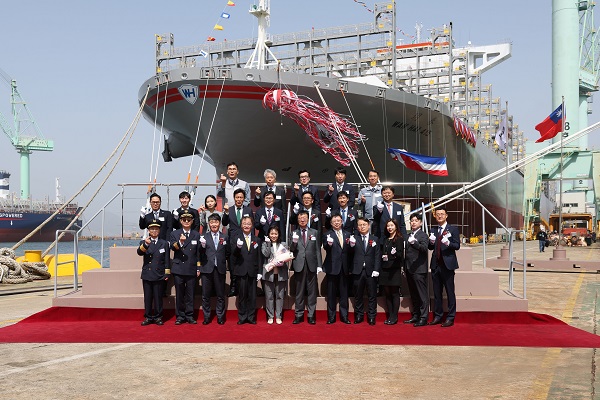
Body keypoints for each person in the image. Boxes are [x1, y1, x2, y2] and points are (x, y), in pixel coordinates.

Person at [427, 205, 460, 327]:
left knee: (450, 292)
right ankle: (438, 316)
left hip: (448, 265)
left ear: (446, 216)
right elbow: (430, 247)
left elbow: (457, 246)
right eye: (438, 214)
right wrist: (431, 242)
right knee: (437, 293)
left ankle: (450, 317)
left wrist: (449, 243)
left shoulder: (453, 229)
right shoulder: (433, 229)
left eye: (442, 214)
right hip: (436, 265)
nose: (440, 216)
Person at [289, 210, 322, 324]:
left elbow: (317, 250)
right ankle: (299, 315)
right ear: (297, 220)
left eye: (304, 218)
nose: (302, 220)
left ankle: (311, 315)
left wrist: (319, 265)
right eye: (300, 218)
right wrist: (293, 242)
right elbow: (291, 250)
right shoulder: (294, 233)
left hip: (312, 265)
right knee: (299, 291)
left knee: (312, 292)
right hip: (299, 264)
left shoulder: (315, 232)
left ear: (308, 219)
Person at [169, 211, 201, 325]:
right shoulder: (175, 234)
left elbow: (198, 253)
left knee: (190, 294)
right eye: (184, 220)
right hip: (179, 268)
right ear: (180, 221)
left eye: (189, 220)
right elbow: (173, 247)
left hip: (191, 268)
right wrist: (180, 242)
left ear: (192, 221)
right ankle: (180, 316)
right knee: (180, 294)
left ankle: (190, 315)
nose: (186, 222)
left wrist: (198, 268)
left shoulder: (196, 234)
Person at [137, 219, 170, 326]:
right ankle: (148, 317)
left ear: (159, 230)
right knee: (148, 298)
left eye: (156, 229)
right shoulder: (144, 242)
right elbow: (139, 252)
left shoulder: (164, 243)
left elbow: (166, 259)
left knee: (158, 297)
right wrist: (146, 245)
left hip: (159, 274)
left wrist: (167, 273)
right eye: (152, 229)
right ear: (148, 230)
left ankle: (158, 317)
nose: (154, 231)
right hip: (147, 274)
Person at [198, 214, 230, 325]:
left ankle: (220, 316)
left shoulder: (225, 237)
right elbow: (199, 254)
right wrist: (201, 247)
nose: (214, 224)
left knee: (220, 295)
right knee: (206, 295)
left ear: (219, 223)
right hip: (206, 269)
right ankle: (206, 317)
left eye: (216, 222)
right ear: (208, 223)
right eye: (211, 222)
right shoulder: (203, 237)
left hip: (220, 269)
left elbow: (227, 253)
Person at [230, 215, 262, 324]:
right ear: (241, 225)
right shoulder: (236, 238)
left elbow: (259, 257)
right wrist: (238, 248)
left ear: (252, 225)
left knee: (252, 296)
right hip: (241, 270)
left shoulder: (257, 239)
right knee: (242, 295)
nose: (247, 226)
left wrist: (260, 272)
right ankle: (242, 316)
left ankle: (251, 317)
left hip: (253, 271)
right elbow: (233, 255)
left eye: (249, 224)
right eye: (244, 224)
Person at [349, 217, 381, 325]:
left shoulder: (375, 239)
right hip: (358, 271)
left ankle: (372, 316)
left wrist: (376, 269)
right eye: (360, 225)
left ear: (368, 225)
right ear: (357, 227)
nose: (362, 227)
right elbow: (349, 253)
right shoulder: (354, 238)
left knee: (372, 295)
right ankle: (359, 315)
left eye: (364, 224)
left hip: (371, 271)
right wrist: (351, 246)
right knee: (358, 295)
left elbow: (377, 256)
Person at [322, 213, 351, 324]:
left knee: (344, 294)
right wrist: (328, 244)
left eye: (339, 221)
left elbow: (350, 251)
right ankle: (331, 317)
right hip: (332, 267)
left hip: (344, 267)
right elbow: (325, 247)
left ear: (342, 221)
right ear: (331, 223)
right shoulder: (327, 234)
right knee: (331, 294)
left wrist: (352, 246)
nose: (337, 223)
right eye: (334, 221)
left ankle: (344, 316)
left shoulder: (348, 234)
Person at [225, 188, 254, 297]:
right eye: (237, 197)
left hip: (246, 240)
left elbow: (252, 225)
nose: (239, 199)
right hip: (232, 241)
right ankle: (233, 287)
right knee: (233, 265)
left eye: (241, 197)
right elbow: (224, 222)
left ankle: (244, 287)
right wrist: (226, 213)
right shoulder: (230, 210)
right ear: (234, 198)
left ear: (244, 198)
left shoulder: (248, 210)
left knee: (244, 263)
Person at [404, 214, 429, 327]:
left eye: (416, 221)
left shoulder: (423, 235)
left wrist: (415, 243)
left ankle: (424, 317)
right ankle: (416, 315)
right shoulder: (409, 235)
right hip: (409, 268)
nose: (413, 222)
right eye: (412, 221)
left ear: (420, 223)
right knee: (413, 294)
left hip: (419, 269)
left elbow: (424, 249)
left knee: (422, 294)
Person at [261, 225, 289, 324]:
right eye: (272, 233)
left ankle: (278, 316)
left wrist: (282, 261)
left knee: (280, 295)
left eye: (275, 233)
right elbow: (266, 254)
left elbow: (287, 257)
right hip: (269, 273)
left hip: (281, 273)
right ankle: (270, 316)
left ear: (279, 234)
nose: (273, 235)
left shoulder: (283, 244)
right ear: (268, 234)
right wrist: (268, 244)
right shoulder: (265, 244)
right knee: (269, 296)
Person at [379, 219, 405, 325]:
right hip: (385, 268)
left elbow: (400, 255)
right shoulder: (386, 239)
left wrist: (394, 254)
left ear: (396, 227)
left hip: (394, 269)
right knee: (387, 294)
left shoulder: (399, 239)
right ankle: (390, 315)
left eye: (392, 225)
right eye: (388, 226)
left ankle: (394, 316)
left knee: (394, 293)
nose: (390, 227)